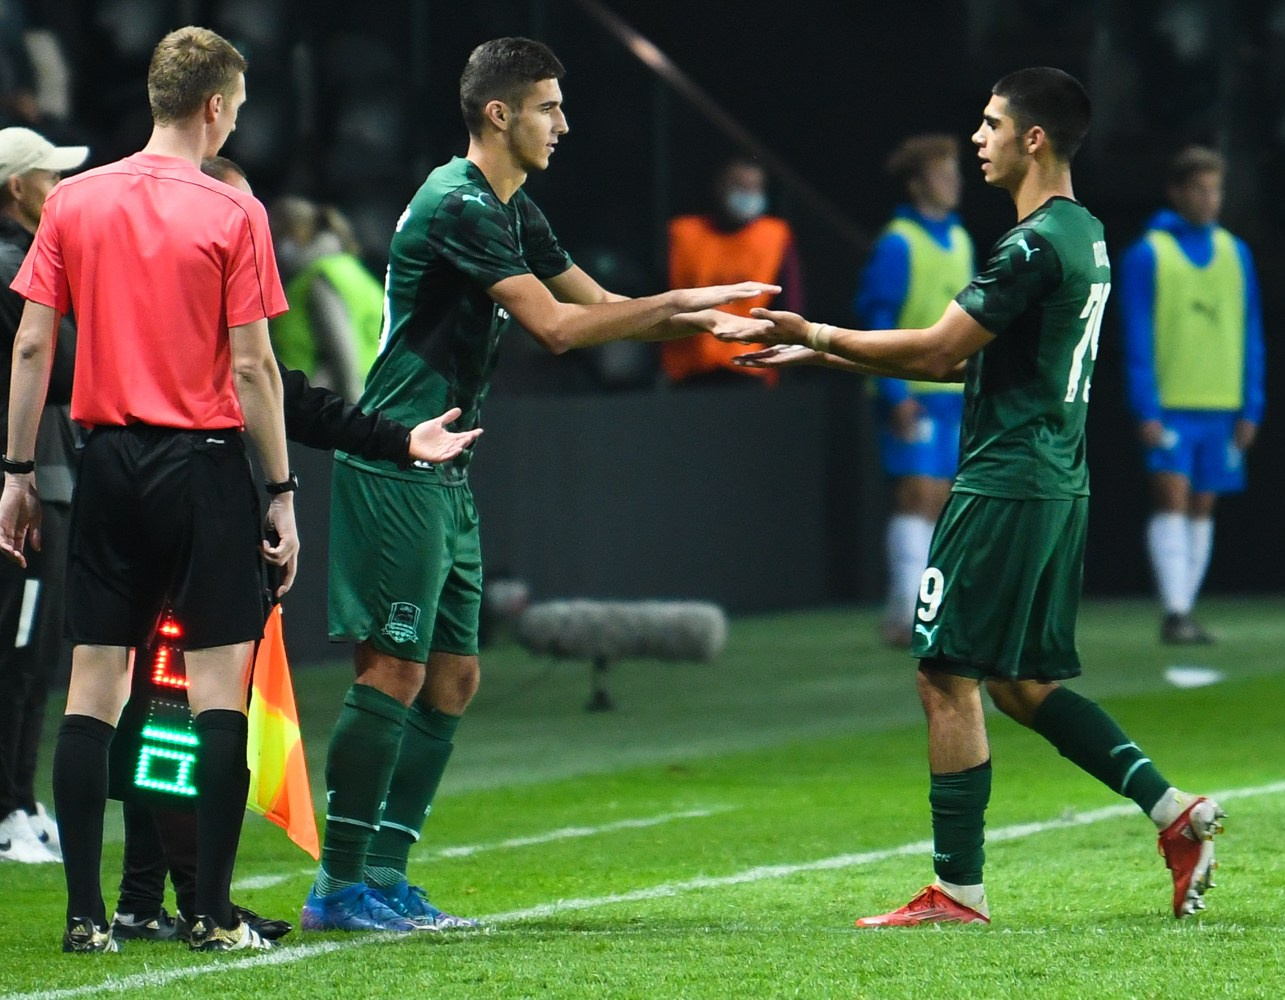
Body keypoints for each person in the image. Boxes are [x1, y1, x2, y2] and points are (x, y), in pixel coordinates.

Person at [723, 67, 1225, 925]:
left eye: (991, 124)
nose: (977, 139)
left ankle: (958, 890)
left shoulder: (1030, 245)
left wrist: (817, 331)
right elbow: (981, 363)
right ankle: (1174, 812)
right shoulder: (1086, 233)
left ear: (1034, 138)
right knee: (1020, 684)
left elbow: (938, 352)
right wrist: (830, 354)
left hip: (1005, 483)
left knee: (943, 675)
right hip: (1056, 481)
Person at [304, 36, 775, 934]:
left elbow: (599, 309)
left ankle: (386, 875)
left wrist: (698, 313)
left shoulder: (514, 210)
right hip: (400, 460)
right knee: (395, 670)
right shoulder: (459, 204)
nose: (564, 124)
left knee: (455, 677)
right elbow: (558, 330)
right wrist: (683, 306)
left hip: (448, 470)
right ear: (500, 113)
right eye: (549, 108)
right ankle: (339, 883)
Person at [107, 154, 483, 945]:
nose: (250, 230)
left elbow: (290, 393)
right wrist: (283, 492)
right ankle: (196, 900)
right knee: (184, 709)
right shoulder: (208, 314)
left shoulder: (141, 297)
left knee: (150, 703)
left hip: (131, 496)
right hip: (194, 508)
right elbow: (275, 391)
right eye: (238, 215)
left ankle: (141, 898)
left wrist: (392, 439)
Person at [1, 26, 299, 953]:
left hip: (104, 464)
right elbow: (253, 369)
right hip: (202, 466)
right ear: (213, 106)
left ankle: (85, 917)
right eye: (236, 109)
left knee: (92, 688)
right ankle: (211, 912)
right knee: (215, 697)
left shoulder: (74, 201)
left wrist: (16, 473)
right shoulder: (232, 211)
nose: (235, 123)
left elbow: (32, 346)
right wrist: (281, 490)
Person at [1118, 146, 1265, 644]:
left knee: (1203, 506)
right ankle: (1175, 611)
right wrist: (1145, 406)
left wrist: (1251, 405)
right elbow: (1136, 336)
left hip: (1221, 404)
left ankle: (1185, 608)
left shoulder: (1236, 253)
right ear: (1176, 193)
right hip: (1172, 404)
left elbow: (1251, 333)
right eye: (1199, 189)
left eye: (1215, 189)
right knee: (1171, 500)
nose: (1209, 199)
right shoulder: (1148, 255)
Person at [0, 125, 85, 866]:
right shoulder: (11, 266)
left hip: (46, 476)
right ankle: (7, 811)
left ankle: (21, 800)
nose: (60, 189)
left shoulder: (24, 260)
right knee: (19, 651)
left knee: (32, 653)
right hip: (28, 484)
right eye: (50, 177)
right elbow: (61, 368)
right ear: (17, 188)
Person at [855, 134, 975, 647]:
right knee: (915, 495)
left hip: (951, 392)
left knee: (941, 499)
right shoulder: (898, 242)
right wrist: (896, 392)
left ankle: (907, 609)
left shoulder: (961, 240)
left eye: (955, 172)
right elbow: (878, 318)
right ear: (916, 183)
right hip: (912, 392)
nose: (954, 182)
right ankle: (908, 613)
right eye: (942, 173)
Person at [659, 156, 803, 386]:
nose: (748, 195)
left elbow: (790, 305)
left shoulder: (775, 236)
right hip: (687, 370)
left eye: (755, 188)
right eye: (740, 186)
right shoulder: (682, 234)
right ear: (718, 187)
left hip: (751, 368)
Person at [268, 196, 385, 400]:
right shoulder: (351, 268)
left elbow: (342, 355)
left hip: (333, 403)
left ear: (295, 234)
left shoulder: (318, 278)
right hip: (373, 391)